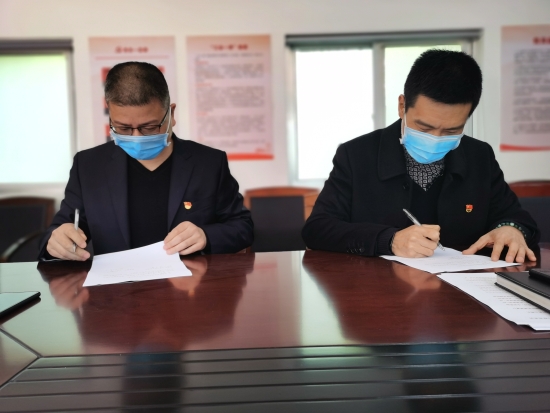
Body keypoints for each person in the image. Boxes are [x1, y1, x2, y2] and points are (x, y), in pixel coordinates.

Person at [302, 49, 540, 263]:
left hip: (463, 290)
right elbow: (317, 229)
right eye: (424, 128)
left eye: (451, 131)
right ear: (402, 106)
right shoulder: (356, 154)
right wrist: (389, 240)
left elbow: (515, 217)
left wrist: (512, 229)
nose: (435, 139)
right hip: (377, 289)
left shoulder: (479, 156)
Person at [40, 61, 253, 260]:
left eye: (149, 127)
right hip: (116, 285)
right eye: (123, 128)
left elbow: (242, 227)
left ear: (171, 114)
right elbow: (59, 230)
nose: (136, 137)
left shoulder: (208, 163)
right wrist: (57, 241)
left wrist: (206, 236)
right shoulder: (88, 166)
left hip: (190, 284)